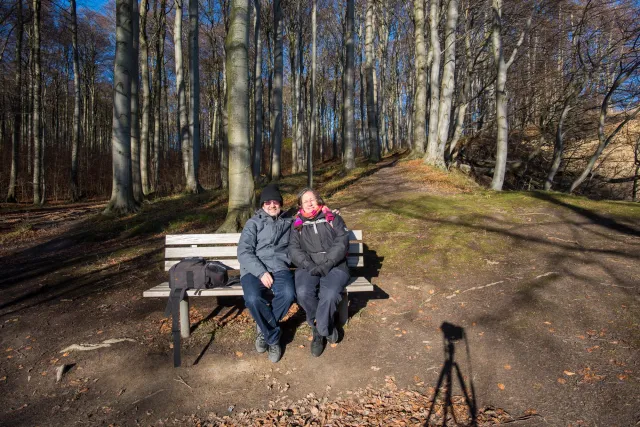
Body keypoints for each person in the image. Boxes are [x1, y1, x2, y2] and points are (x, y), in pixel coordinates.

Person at [288, 188, 350, 357]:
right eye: (305, 201)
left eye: (312, 199)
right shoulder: (297, 224)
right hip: (308, 266)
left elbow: (342, 242)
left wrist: (328, 262)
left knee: (330, 294)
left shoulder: (333, 218)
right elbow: (293, 249)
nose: (309, 203)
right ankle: (323, 325)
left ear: (319, 200)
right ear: (300, 205)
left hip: (335, 264)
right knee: (302, 292)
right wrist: (308, 264)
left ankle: (320, 330)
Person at [237, 184, 295, 363]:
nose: (271, 205)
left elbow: (311, 217)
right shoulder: (253, 223)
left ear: (280, 203)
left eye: (275, 201)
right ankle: (274, 337)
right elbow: (244, 251)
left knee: (288, 294)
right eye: (267, 202)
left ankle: (264, 329)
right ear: (262, 205)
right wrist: (261, 272)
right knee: (253, 299)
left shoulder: (290, 222)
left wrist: (330, 214)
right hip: (253, 270)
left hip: (279, 268)